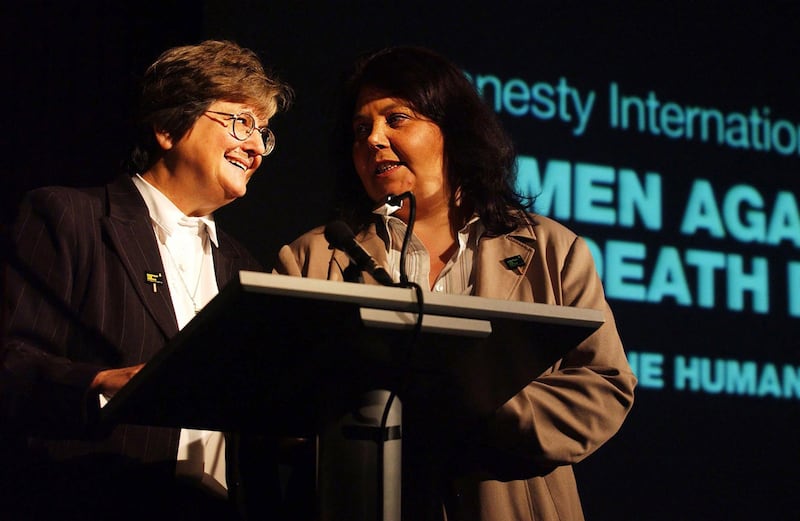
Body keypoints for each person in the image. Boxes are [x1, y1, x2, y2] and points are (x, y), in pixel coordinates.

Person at [274, 45, 636, 520]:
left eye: (396, 119)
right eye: (361, 129)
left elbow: (604, 386)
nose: (374, 139)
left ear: (454, 131)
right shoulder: (312, 256)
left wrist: (469, 410)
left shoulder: (553, 249)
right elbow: (273, 402)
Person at [1, 40, 292, 520]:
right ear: (166, 128)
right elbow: (12, 363)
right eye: (241, 123)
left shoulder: (245, 267)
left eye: (264, 132)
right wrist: (100, 381)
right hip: (103, 498)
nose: (257, 146)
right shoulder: (70, 218)